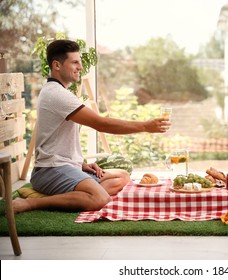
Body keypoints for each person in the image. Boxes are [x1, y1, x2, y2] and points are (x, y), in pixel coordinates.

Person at [13, 39, 170, 213]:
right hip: (50, 170)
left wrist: (80, 164)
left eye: (79, 62)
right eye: (74, 62)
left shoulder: (57, 92)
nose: (80, 67)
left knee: (122, 176)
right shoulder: (56, 94)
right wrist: (145, 126)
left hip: (66, 166)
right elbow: (101, 124)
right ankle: (31, 203)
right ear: (56, 65)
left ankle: (83, 191)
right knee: (100, 198)